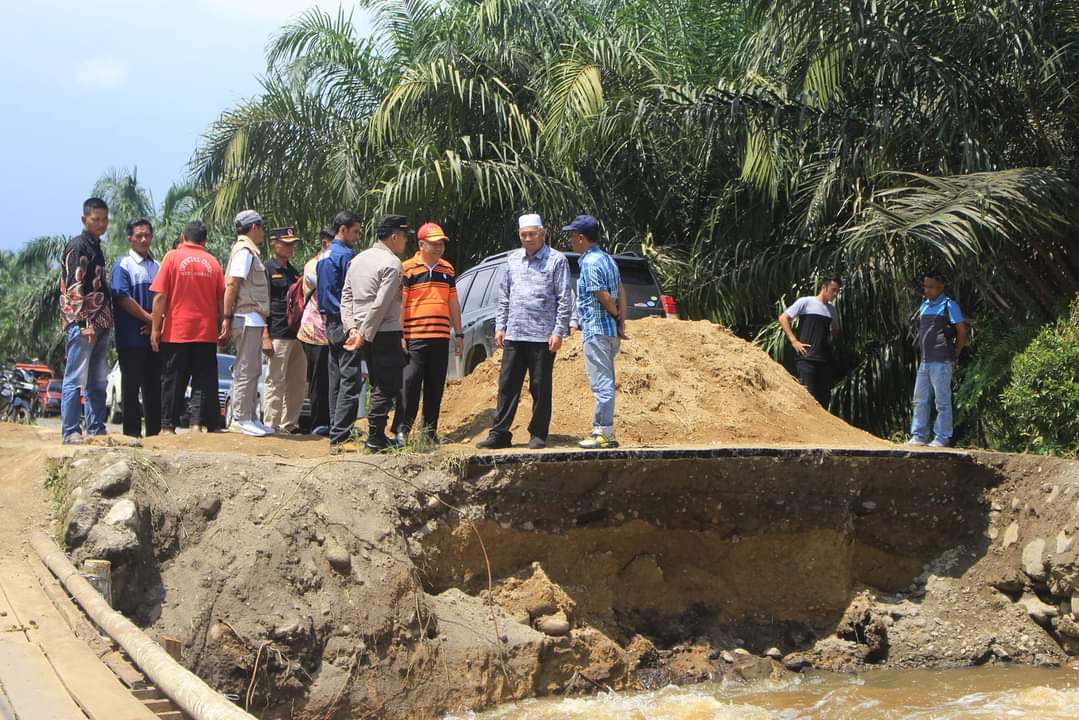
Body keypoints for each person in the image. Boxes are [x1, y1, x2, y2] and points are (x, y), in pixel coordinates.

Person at [477, 213, 571, 450]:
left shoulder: (556, 260)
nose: (528, 239)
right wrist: (501, 326)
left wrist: (558, 331)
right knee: (507, 386)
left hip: (542, 336)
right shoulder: (513, 259)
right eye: (523, 235)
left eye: (532, 234)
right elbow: (504, 296)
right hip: (515, 334)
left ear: (543, 233)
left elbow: (564, 298)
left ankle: (538, 433)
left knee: (540, 387)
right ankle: (499, 433)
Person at [338, 214, 410, 452]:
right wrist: (364, 333)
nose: (405, 242)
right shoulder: (391, 263)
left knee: (378, 382)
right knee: (387, 384)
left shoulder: (357, 260)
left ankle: (376, 435)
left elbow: (346, 297)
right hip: (383, 331)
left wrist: (352, 328)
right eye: (404, 237)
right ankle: (376, 437)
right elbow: (381, 303)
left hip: (361, 330)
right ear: (394, 236)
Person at [390, 222, 463, 444]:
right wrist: (400, 333)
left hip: (440, 336)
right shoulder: (408, 268)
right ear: (421, 244)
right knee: (410, 383)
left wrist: (458, 333)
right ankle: (402, 430)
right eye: (434, 244)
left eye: (441, 243)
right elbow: (401, 303)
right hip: (415, 335)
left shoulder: (447, 269)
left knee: (435, 384)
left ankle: (429, 432)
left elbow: (453, 302)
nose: (438, 247)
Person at [150, 221, 225, 434]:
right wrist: (222, 324)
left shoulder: (172, 257)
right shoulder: (213, 262)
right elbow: (221, 298)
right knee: (202, 380)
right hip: (206, 332)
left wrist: (156, 329)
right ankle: (196, 425)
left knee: (173, 379)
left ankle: (167, 426)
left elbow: (160, 296)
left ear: (183, 237)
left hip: (177, 332)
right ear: (205, 241)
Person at [565, 215, 627, 449]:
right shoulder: (608, 259)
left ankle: (602, 433)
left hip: (597, 330)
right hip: (610, 333)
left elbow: (601, 293)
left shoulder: (589, 263)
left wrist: (615, 314)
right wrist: (621, 322)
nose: (570, 240)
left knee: (602, 384)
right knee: (606, 382)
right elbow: (621, 289)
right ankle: (605, 432)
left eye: (572, 236)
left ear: (581, 238)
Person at [59, 197, 114, 444]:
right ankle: (70, 430)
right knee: (75, 378)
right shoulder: (78, 246)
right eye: (96, 219)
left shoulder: (96, 247)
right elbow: (74, 285)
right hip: (84, 324)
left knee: (98, 380)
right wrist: (83, 323)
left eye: (104, 219)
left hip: (101, 323)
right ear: (85, 220)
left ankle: (96, 428)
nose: (101, 223)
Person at [222, 210, 273, 437]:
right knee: (245, 368)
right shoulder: (244, 251)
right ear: (254, 227)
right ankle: (241, 418)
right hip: (246, 316)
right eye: (261, 228)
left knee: (253, 369)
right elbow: (232, 284)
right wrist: (226, 317)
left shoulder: (250, 251)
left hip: (253, 317)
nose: (262, 232)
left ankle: (250, 416)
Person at [110, 218, 161, 438]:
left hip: (154, 338)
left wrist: (157, 323)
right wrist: (149, 318)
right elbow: (122, 297)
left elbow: (166, 298)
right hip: (131, 337)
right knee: (130, 387)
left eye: (147, 235)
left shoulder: (157, 265)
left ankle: (154, 433)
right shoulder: (123, 264)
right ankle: (131, 434)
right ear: (130, 238)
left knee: (153, 387)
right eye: (138, 235)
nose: (143, 239)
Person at [908, 272, 967, 448]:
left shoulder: (949, 305)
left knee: (942, 401)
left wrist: (955, 353)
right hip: (925, 361)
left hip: (942, 361)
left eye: (931, 287)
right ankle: (919, 435)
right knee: (920, 399)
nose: (927, 290)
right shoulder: (924, 306)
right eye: (925, 286)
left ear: (941, 286)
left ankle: (942, 437)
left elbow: (962, 332)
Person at [318, 211, 362, 443]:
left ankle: (336, 427)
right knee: (350, 378)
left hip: (329, 322)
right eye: (355, 231)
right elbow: (351, 289)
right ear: (342, 230)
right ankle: (342, 432)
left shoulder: (324, 255)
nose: (358, 236)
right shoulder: (346, 256)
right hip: (345, 321)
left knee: (335, 377)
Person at [262, 227, 308, 433]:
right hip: (277, 332)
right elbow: (263, 304)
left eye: (292, 244)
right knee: (276, 380)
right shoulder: (267, 269)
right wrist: (265, 335)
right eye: (286, 243)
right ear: (274, 244)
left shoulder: (293, 271)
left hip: (297, 333)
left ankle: (289, 424)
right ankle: (271, 424)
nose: (290, 248)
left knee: (297, 383)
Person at [779, 276, 842, 408]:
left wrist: (829, 342)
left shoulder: (832, 310)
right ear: (824, 288)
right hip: (806, 357)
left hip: (824, 360)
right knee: (808, 396)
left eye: (837, 291)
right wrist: (794, 341)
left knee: (824, 398)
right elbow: (784, 318)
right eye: (833, 290)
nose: (835, 293)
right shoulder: (806, 302)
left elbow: (836, 330)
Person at [298, 226, 334, 435]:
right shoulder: (313, 266)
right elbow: (329, 289)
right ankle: (318, 424)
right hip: (315, 332)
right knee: (319, 380)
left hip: (332, 333)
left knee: (331, 380)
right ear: (324, 244)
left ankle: (330, 422)